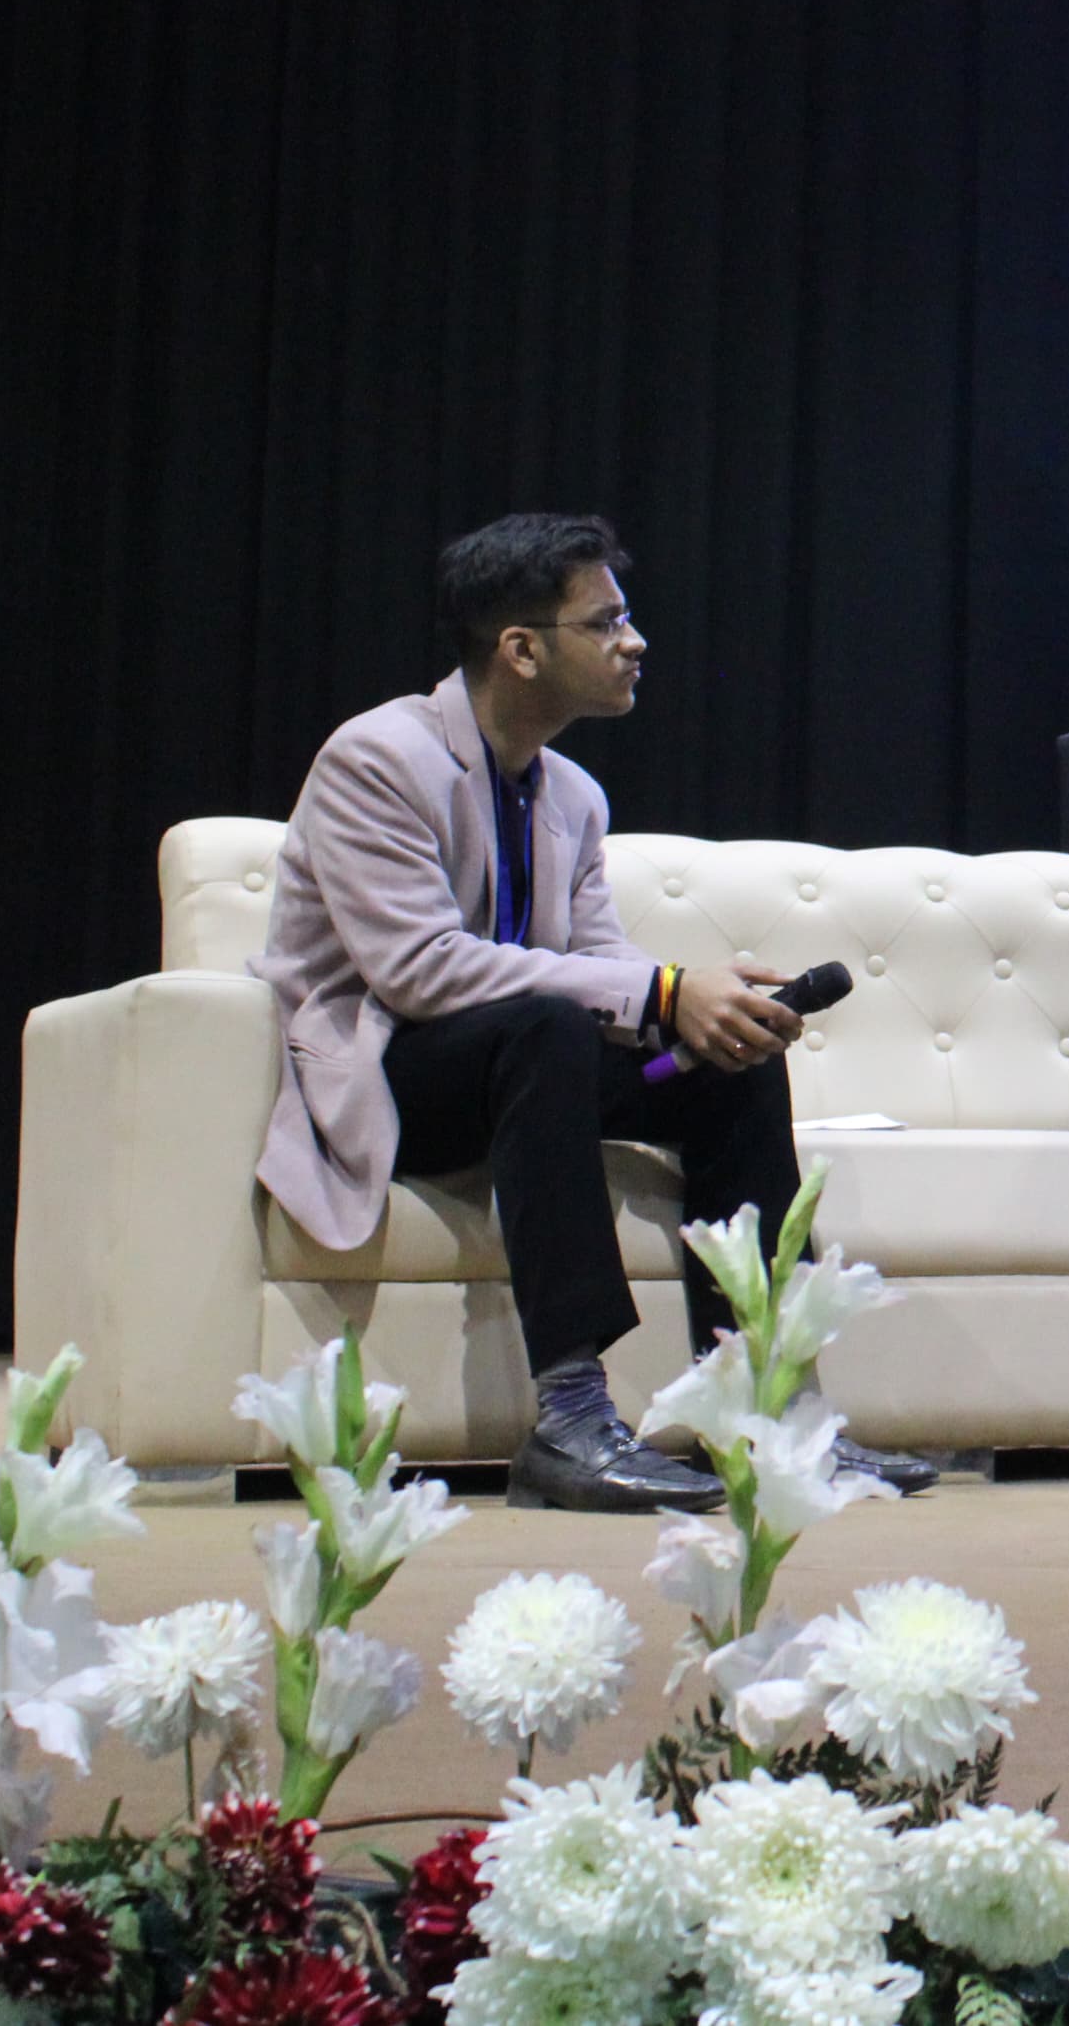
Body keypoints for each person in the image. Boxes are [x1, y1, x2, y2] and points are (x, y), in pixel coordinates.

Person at [252, 514, 938, 1512]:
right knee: (546, 1027)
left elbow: (593, 956)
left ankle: (765, 1412)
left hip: (524, 1069)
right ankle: (570, 1416)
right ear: (521, 649)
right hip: (390, 1074)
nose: (635, 641)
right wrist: (660, 992)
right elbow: (417, 971)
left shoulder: (570, 792)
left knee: (729, 1063)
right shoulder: (377, 758)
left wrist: (696, 1005)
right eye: (605, 622)